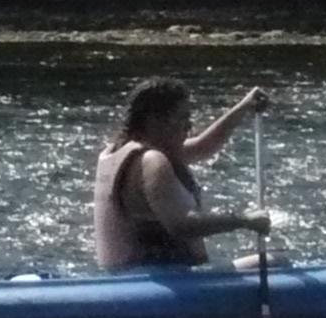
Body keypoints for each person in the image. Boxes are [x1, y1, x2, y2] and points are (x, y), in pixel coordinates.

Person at [92, 76, 274, 269]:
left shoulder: (115, 152)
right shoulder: (152, 161)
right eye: (182, 117)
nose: (189, 126)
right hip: (166, 282)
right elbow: (181, 225)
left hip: (124, 279)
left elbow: (204, 146)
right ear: (155, 120)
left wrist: (244, 107)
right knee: (274, 263)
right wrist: (242, 220)